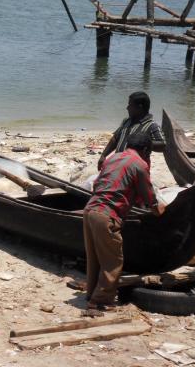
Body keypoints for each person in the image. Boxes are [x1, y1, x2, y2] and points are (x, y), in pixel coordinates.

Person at [83, 133, 163, 312]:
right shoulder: (139, 164)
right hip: (107, 215)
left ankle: (91, 294)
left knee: (95, 258)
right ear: (145, 150)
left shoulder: (113, 158)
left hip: (90, 211)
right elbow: (150, 199)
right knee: (113, 261)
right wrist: (160, 211)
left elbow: (98, 185)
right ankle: (100, 301)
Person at [98, 91, 165, 171]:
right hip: (119, 163)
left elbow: (163, 145)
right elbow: (115, 138)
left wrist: (145, 142)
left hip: (136, 169)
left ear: (139, 107)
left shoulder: (151, 126)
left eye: (130, 105)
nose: (127, 108)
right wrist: (103, 155)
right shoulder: (126, 121)